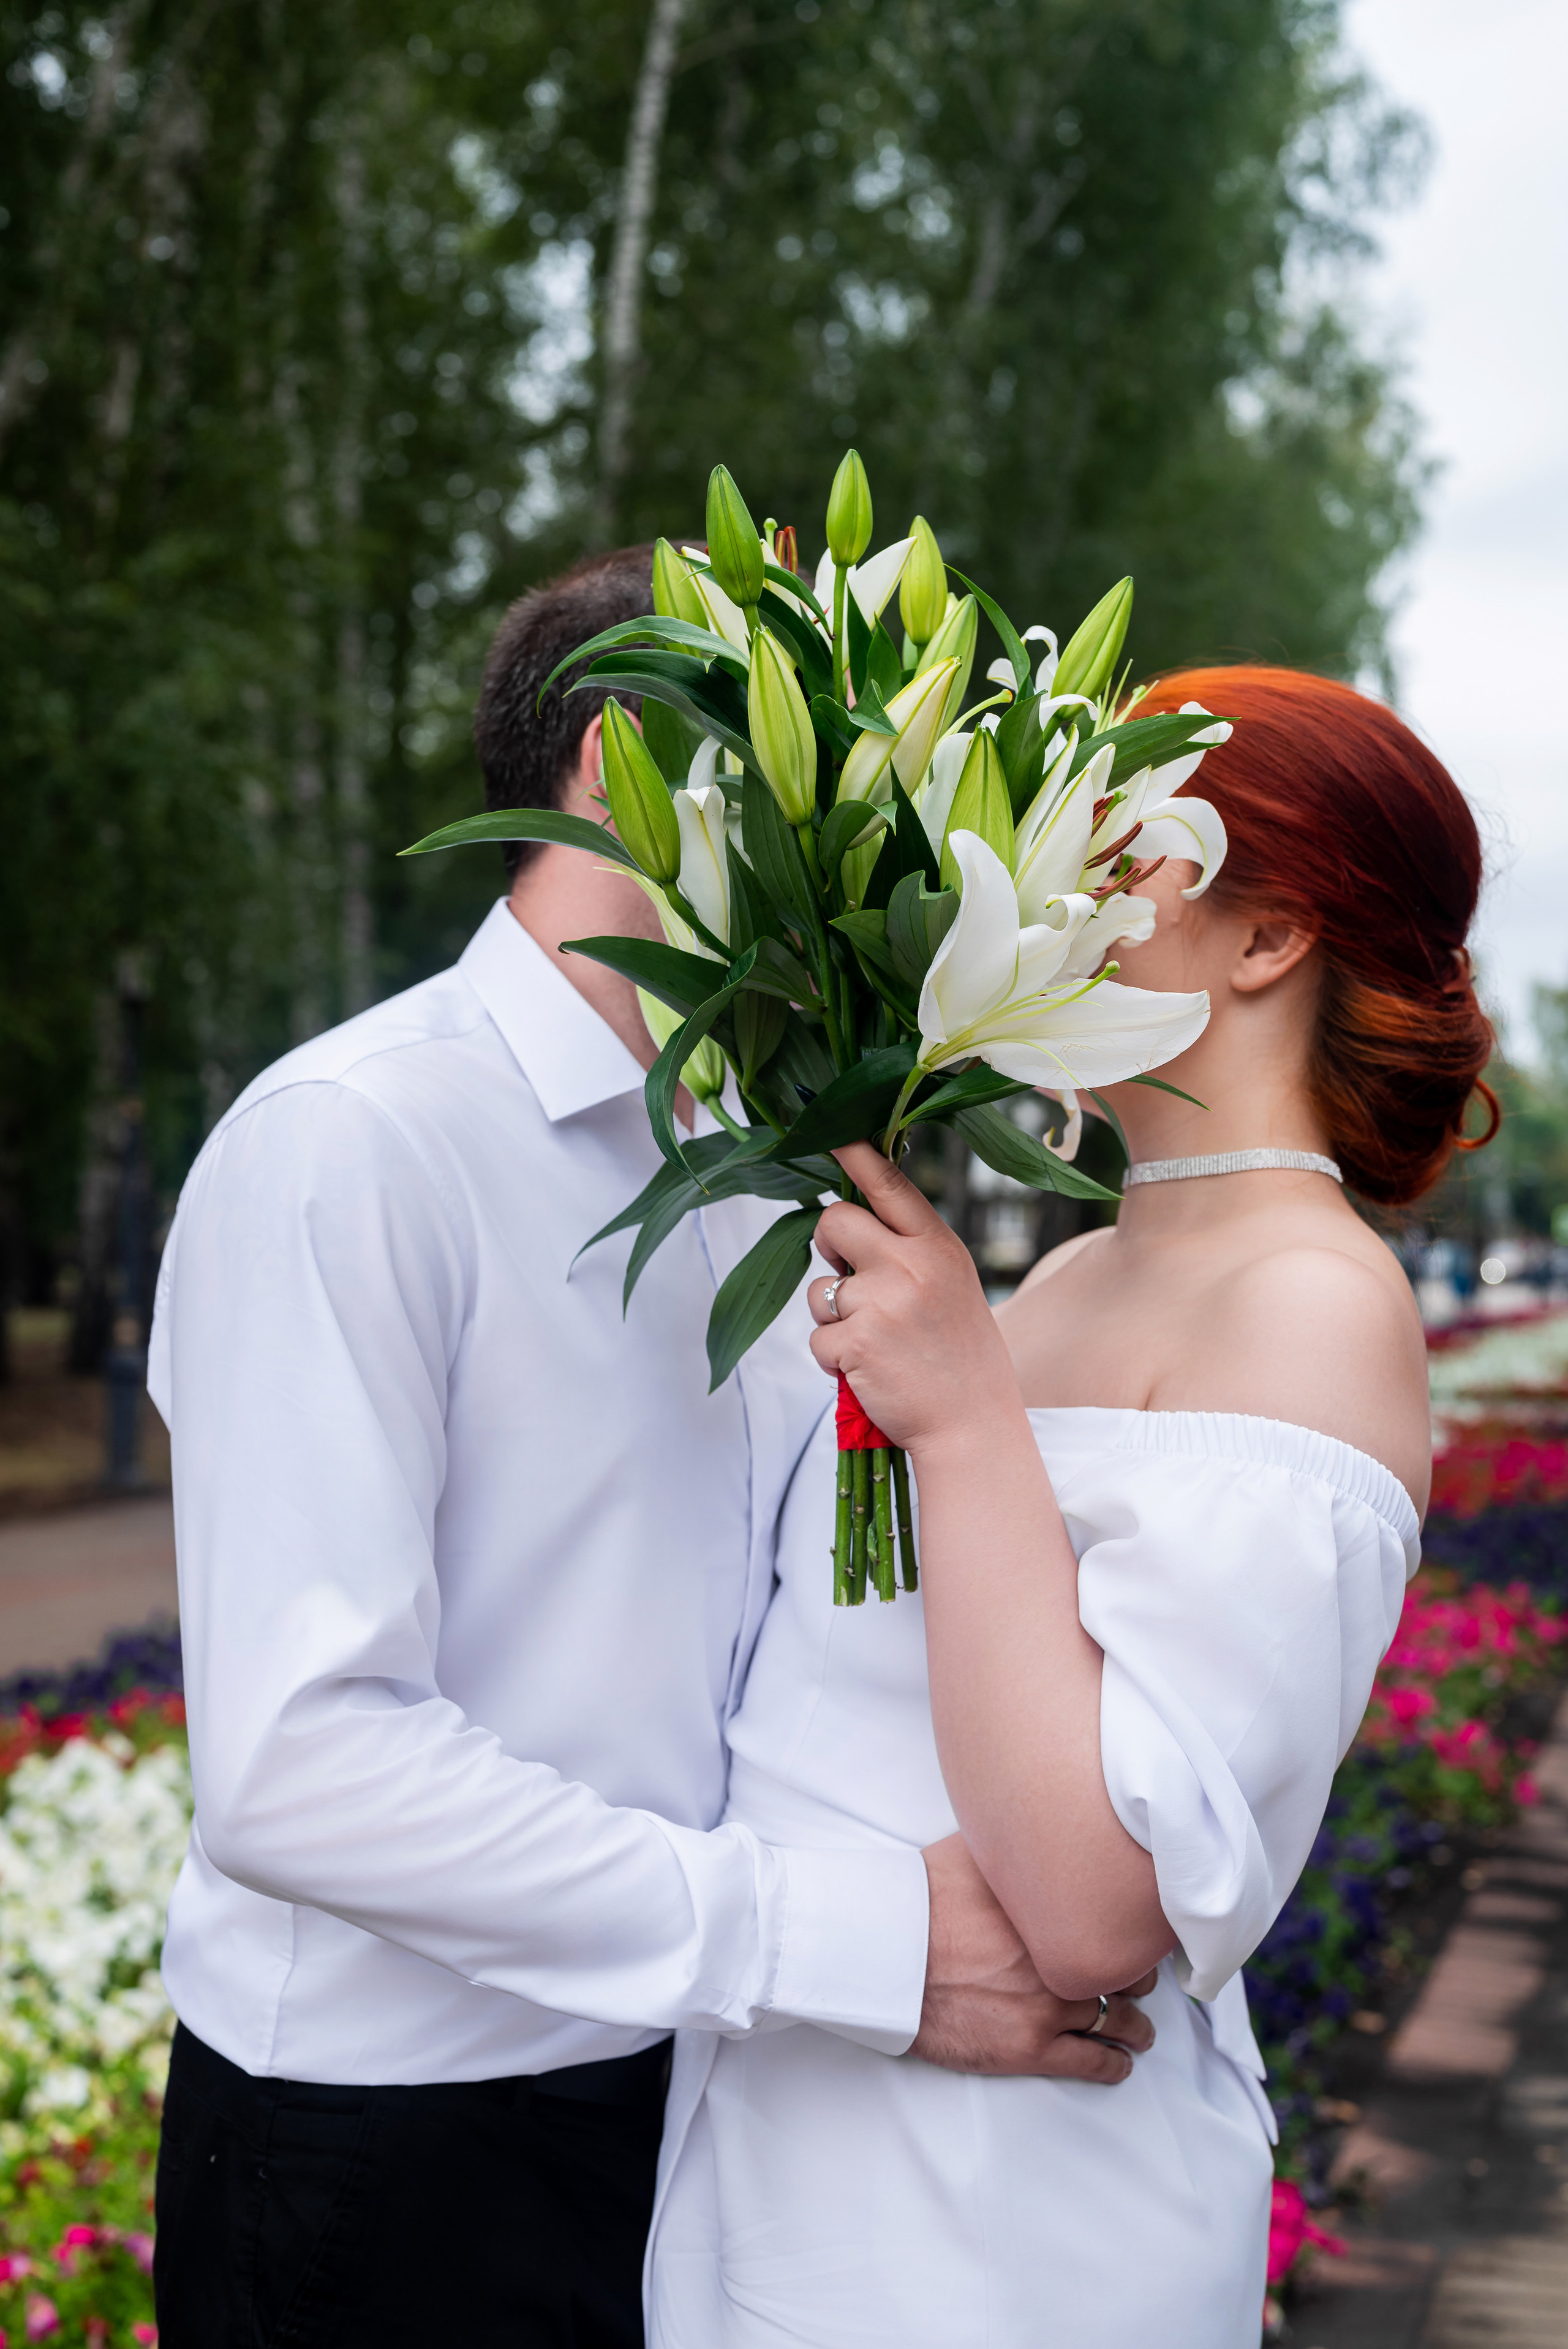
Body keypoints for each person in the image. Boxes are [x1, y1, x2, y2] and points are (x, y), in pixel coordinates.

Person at [147, 543, 1152, 2349]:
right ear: (626, 768)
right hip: (394, 2158)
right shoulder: (354, 1144)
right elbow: (299, 1762)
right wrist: (850, 1943)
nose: (868, 835)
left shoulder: (742, 1156)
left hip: (698, 2096)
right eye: (803, 764)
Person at [647, 667, 1499, 2348]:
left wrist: (962, 1408)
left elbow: (1102, 1904)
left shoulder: (1315, 1305)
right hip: (803, 2166)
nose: (1032, 881)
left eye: (1104, 840)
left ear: (1265, 942)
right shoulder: (1075, 1270)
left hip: (1000, 2236)